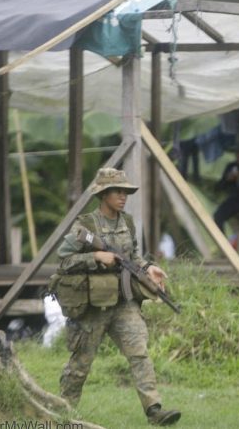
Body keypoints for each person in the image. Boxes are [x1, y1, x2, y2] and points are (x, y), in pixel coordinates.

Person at [56, 168, 181, 426]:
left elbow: (132, 257)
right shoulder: (86, 225)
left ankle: (155, 410)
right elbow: (64, 260)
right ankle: (61, 413)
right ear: (103, 194)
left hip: (124, 303)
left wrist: (148, 268)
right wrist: (95, 257)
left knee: (140, 354)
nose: (123, 196)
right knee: (81, 365)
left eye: (126, 192)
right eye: (117, 191)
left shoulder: (128, 223)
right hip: (94, 305)